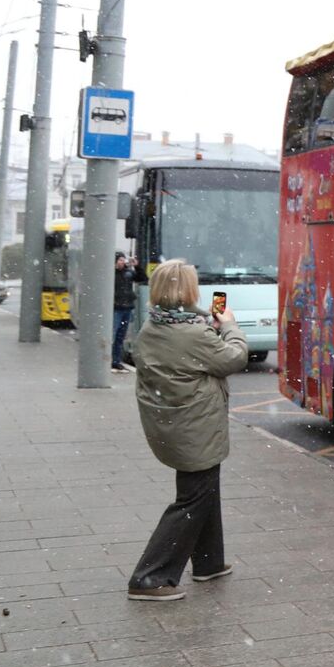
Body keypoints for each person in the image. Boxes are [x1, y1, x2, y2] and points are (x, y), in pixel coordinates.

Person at [126, 259, 248, 602]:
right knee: (192, 498)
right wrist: (230, 326)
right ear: (188, 291)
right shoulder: (194, 334)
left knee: (205, 490)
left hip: (174, 425)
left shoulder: (154, 326)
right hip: (195, 427)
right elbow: (235, 358)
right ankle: (149, 577)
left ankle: (209, 562)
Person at [111, 252, 137, 372]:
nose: (122, 262)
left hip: (127, 307)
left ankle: (116, 361)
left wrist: (136, 266)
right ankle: (110, 359)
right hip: (116, 308)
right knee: (113, 334)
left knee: (121, 336)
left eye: (123, 260)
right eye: (119, 260)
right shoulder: (111, 273)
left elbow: (142, 278)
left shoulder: (128, 273)